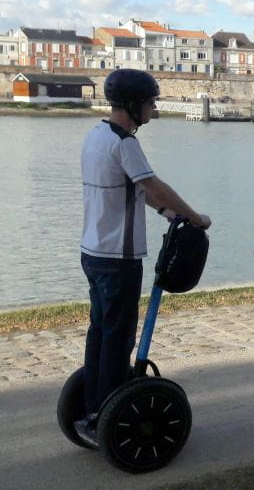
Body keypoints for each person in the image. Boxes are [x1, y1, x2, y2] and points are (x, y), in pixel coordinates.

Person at [77, 69, 211, 444]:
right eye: (151, 102)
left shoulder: (97, 135)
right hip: (118, 257)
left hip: (92, 251)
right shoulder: (125, 143)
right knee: (118, 338)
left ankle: (92, 406)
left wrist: (169, 214)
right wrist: (196, 217)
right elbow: (153, 185)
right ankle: (104, 413)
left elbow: (137, 189)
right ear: (134, 105)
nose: (154, 108)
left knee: (100, 331)